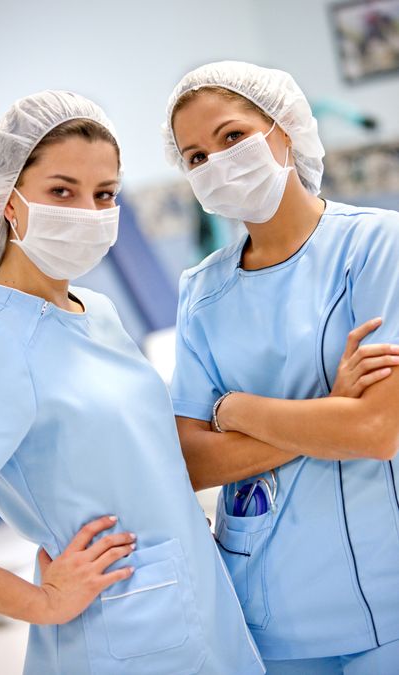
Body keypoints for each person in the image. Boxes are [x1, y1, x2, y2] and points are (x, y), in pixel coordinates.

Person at [0, 90, 268, 675]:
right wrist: (40, 602)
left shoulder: (93, 310)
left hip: (197, 603)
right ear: (9, 203)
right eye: (62, 191)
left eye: (105, 195)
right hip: (119, 636)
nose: (88, 212)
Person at [163, 61, 399, 674]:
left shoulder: (378, 248)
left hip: (388, 595)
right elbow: (189, 460)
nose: (215, 163)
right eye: (194, 157)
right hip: (267, 605)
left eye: (232, 137)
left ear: (285, 130)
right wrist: (327, 416)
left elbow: (376, 432)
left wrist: (231, 409)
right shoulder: (201, 291)